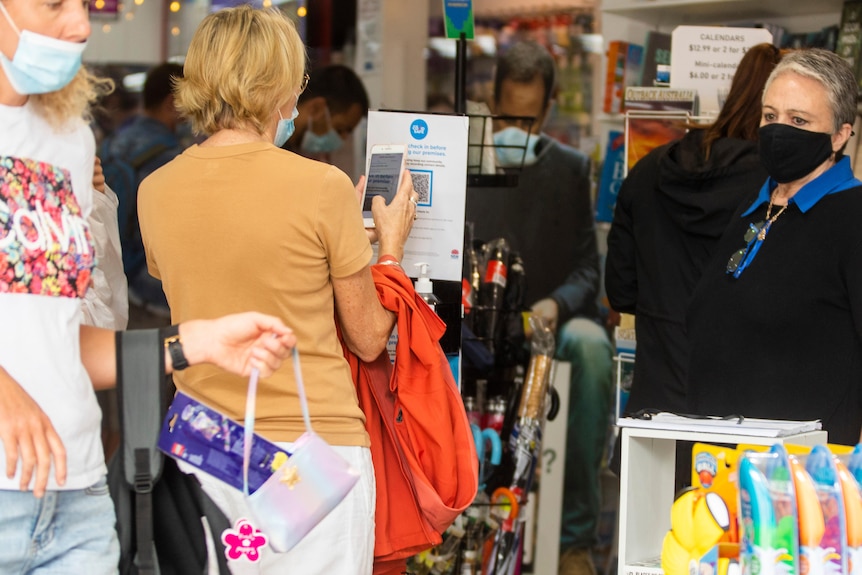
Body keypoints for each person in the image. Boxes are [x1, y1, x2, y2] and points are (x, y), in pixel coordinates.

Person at [0, 1, 296, 572]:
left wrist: (196, 342)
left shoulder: (66, 141)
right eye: (53, 4)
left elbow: (65, 347)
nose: (81, 25)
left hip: (77, 495)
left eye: (83, 4)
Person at [137, 6, 417, 574]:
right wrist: (389, 250)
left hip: (205, 449)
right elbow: (367, 338)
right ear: (278, 87)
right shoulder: (321, 186)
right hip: (312, 454)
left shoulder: (155, 190)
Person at [465, 40, 613, 575]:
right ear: (490, 101)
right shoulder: (468, 163)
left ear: (548, 110)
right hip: (475, 323)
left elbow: (586, 272)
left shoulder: (570, 170)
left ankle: (574, 540)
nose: (516, 133)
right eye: (506, 117)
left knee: (592, 348)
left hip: (547, 325)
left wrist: (555, 303)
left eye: (528, 122)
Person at [686, 48, 862, 446]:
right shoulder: (753, 208)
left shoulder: (852, 216)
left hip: (800, 478)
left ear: (840, 135)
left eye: (799, 120)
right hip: (713, 463)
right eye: (770, 116)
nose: (778, 130)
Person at [605, 43, 782, 417]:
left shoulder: (648, 170)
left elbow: (620, 291)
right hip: (742, 416)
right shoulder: (778, 188)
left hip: (653, 411)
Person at [104, 61, 186, 325]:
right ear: (172, 103)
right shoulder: (171, 159)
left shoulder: (111, 142)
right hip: (151, 293)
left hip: (111, 283)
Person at [280, 63, 369, 158]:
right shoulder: (272, 148)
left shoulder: (285, 152)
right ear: (316, 108)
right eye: (339, 129)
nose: (341, 140)